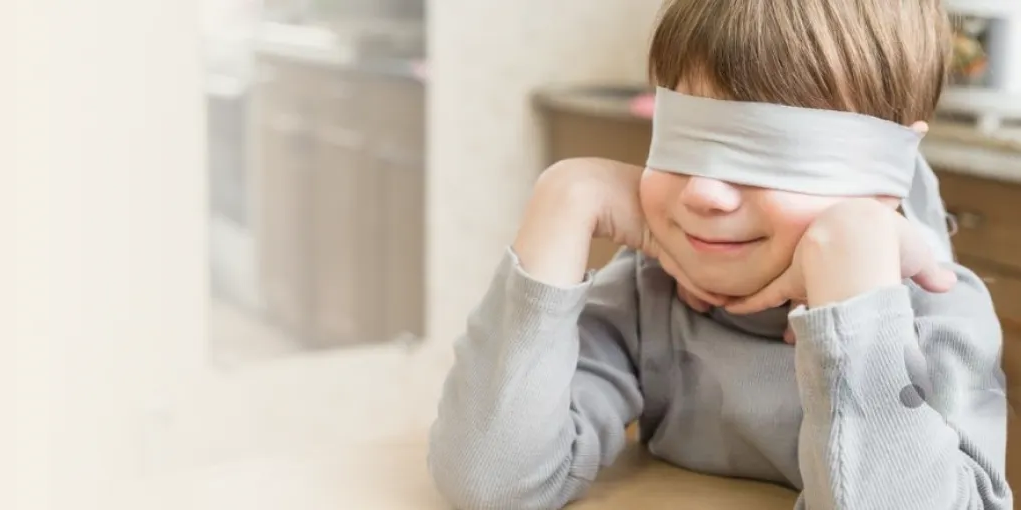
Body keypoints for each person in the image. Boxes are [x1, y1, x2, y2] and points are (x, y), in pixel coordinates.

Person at [426, 1, 1012, 509]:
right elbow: (491, 482)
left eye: (773, 152)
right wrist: (565, 198)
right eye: (686, 138)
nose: (704, 192)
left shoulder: (940, 314)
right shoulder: (646, 292)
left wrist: (856, 295)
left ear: (889, 171)